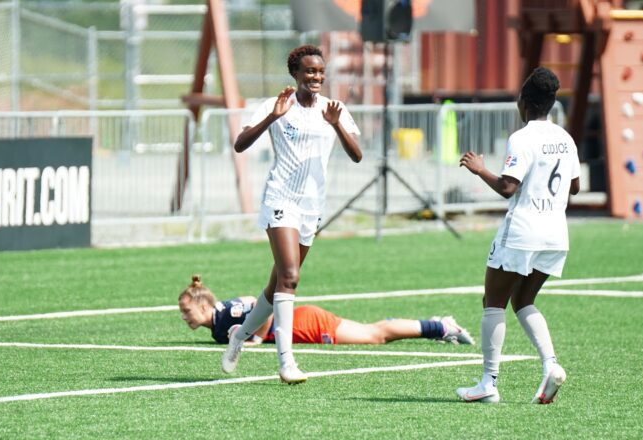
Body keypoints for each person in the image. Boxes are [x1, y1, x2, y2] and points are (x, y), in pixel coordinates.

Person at [223, 45, 363, 384]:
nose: (315, 77)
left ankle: (239, 336)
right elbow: (240, 144)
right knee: (290, 277)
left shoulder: (335, 108)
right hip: (280, 198)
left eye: (319, 71)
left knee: (277, 287)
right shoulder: (278, 105)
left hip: (312, 206)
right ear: (295, 74)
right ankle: (286, 362)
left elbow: (357, 155)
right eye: (309, 71)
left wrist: (336, 125)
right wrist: (273, 116)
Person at [455, 67, 580, 404]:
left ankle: (487, 383)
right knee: (522, 300)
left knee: (492, 302)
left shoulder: (522, 138)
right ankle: (550, 364)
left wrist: (480, 168)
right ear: (552, 103)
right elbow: (576, 187)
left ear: (523, 101)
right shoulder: (564, 138)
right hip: (556, 234)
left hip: (523, 230)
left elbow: (508, 188)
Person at [178, 275, 474, 347]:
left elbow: (260, 303)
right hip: (297, 325)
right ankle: (430, 325)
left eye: (186, 310)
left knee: (375, 336)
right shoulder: (216, 324)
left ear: (203, 305)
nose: (184, 317)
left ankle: (441, 326)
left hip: (303, 323)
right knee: (374, 332)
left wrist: (257, 335)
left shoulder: (224, 314)